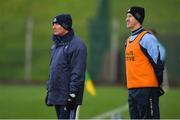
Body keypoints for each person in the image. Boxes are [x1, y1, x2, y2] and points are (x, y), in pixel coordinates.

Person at [125, 6, 166, 119]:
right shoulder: (128, 41)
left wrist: (157, 85)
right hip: (132, 89)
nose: (126, 19)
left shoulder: (147, 38)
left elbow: (158, 63)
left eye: (130, 16)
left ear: (138, 18)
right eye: (126, 16)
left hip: (146, 89)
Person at [45, 13, 87, 119]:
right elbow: (53, 70)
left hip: (68, 97)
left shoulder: (77, 45)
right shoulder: (55, 46)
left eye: (56, 24)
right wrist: (49, 90)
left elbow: (77, 72)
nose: (53, 27)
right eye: (53, 24)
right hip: (57, 95)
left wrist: (72, 95)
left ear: (65, 25)